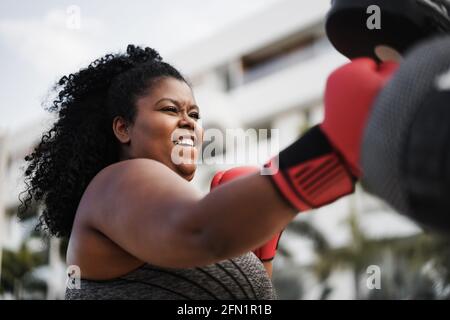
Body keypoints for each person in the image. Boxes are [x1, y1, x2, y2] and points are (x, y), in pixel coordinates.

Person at [20, 45, 397, 299]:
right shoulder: (117, 180)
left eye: (195, 115)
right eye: (170, 110)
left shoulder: (185, 212)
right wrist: (330, 149)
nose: (188, 122)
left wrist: (259, 257)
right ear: (123, 129)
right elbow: (202, 231)